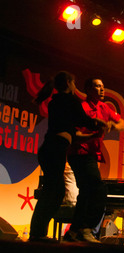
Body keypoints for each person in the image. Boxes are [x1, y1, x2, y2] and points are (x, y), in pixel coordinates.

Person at [29, 71, 105, 242]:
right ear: (69, 83)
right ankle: (37, 233)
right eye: (74, 83)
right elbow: (84, 119)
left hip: (52, 149)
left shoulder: (58, 102)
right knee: (54, 191)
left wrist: (93, 134)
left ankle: (37, 232)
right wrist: (99, 123)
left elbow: (73, 133)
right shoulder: (69, 101)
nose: (75, 86)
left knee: (54, 191)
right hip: (54, 149)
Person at [65, 77, 124, 243]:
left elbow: (122, 123)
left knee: (85, 193)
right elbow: (73, 136)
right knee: (98, 189)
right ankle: (87, 228)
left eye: (103, 86)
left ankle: (73, 232)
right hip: (79, 153)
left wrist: (112, 125)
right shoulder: (82, 108)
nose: (102, 89)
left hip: (91, 155)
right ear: (88, 89)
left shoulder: (104, 107)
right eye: (97, 86)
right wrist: (93, 135)